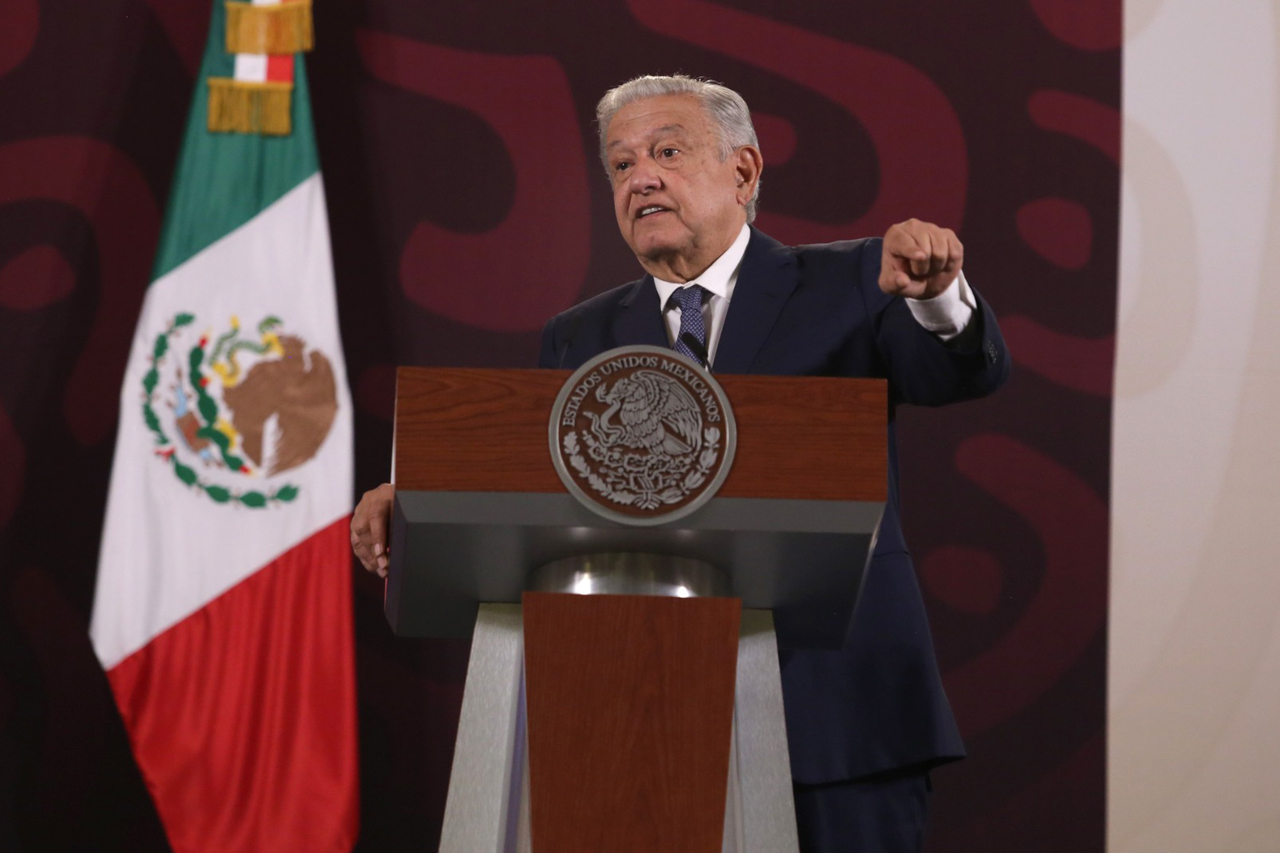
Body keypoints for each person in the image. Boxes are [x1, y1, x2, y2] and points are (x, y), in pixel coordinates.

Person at [352, 74, 1010, 852]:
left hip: (833, 713)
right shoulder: (579, 335)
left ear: (744, 171)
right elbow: (545, 482)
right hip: (632, 723)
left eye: (667, 152)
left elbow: (956, 374)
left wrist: (937, 298)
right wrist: (420, 498)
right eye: (621, 164)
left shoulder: (854, 282)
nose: (642, 178)